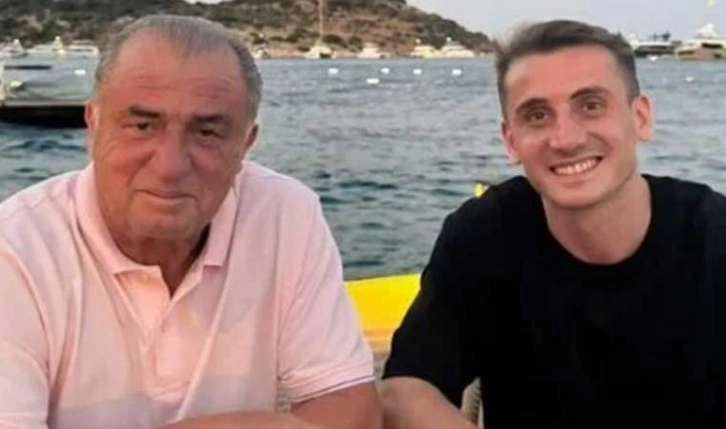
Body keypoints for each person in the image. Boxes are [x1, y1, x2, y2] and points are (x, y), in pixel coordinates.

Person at [0, 14, 381, 429]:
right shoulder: (16, 251)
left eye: (206, 133)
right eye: (142, 126)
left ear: (246, 144)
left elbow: (350, 408)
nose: (169, 166)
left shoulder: (285, 215)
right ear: (93, 124)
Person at [380, 19, 726, 429]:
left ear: (640, 118)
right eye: (537, 115)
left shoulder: (712, 236)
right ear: (511, 141)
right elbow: (405, 389)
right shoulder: (486, 235)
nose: (565, 139)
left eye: (591, 105)